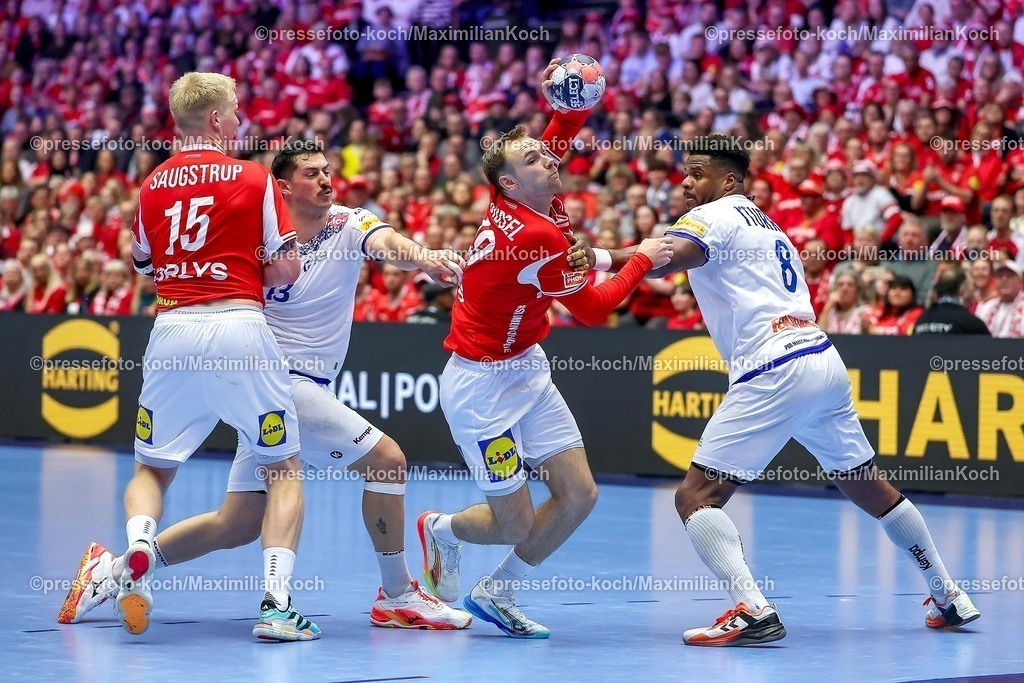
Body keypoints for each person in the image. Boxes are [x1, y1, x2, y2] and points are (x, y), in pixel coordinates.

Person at [59, 140, 472, 631]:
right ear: (281, 187)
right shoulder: (254, 238)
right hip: (276, 381)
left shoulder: (348, 222)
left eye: (326, 171)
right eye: (311, 173)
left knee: (237, 523)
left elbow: (388, 244)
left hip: (268, 393)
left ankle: (109, 571)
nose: (325, 180)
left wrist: (425, 257)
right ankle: (397, 593)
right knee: (387, 462)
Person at [587, 134, 978, 645]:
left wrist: (595, 257)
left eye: (697, 173)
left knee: (695, 497)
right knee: (869, 486)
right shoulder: (767, 224)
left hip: (771, 366)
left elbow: (668, 253)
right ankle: (948, 594)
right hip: (821, 359)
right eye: (686, 172)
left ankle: (752, 609)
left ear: (728, 180)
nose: (686, 181)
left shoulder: (715, 215)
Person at [416, 61, 673, 639]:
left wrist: (578, 92)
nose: (549, 159)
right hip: (480, 387)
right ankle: (442, 528)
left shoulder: (528, 196)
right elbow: (593, 309)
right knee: (515, 522)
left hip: (527, 368)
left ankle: (497, 591)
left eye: (545, 154)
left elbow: (561, 129)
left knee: (579, 495)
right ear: (509, 181)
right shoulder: (536, 235)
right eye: (534, 159)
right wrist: (642, 259)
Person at [60, 73, 318, 641]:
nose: (243, 123)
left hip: (173, 327)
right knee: (283, 470)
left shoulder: (151, 184)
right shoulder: (254, 179)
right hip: (239, 327)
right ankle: (276, 606)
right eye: (238, 115)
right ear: (219, 120)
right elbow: (286, 269)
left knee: (153, 467)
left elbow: (146, 266)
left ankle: (136, 549)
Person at [913, 270, 990, 335]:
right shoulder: (972, 324)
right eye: (972, 287)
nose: (974, 292)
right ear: (962, 290)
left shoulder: (922, 319)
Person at [974, 260, 1024, 338]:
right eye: (1000, 276)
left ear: (1020, 281)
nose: (1004, 280)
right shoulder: (986, 307)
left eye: (1010, 276)